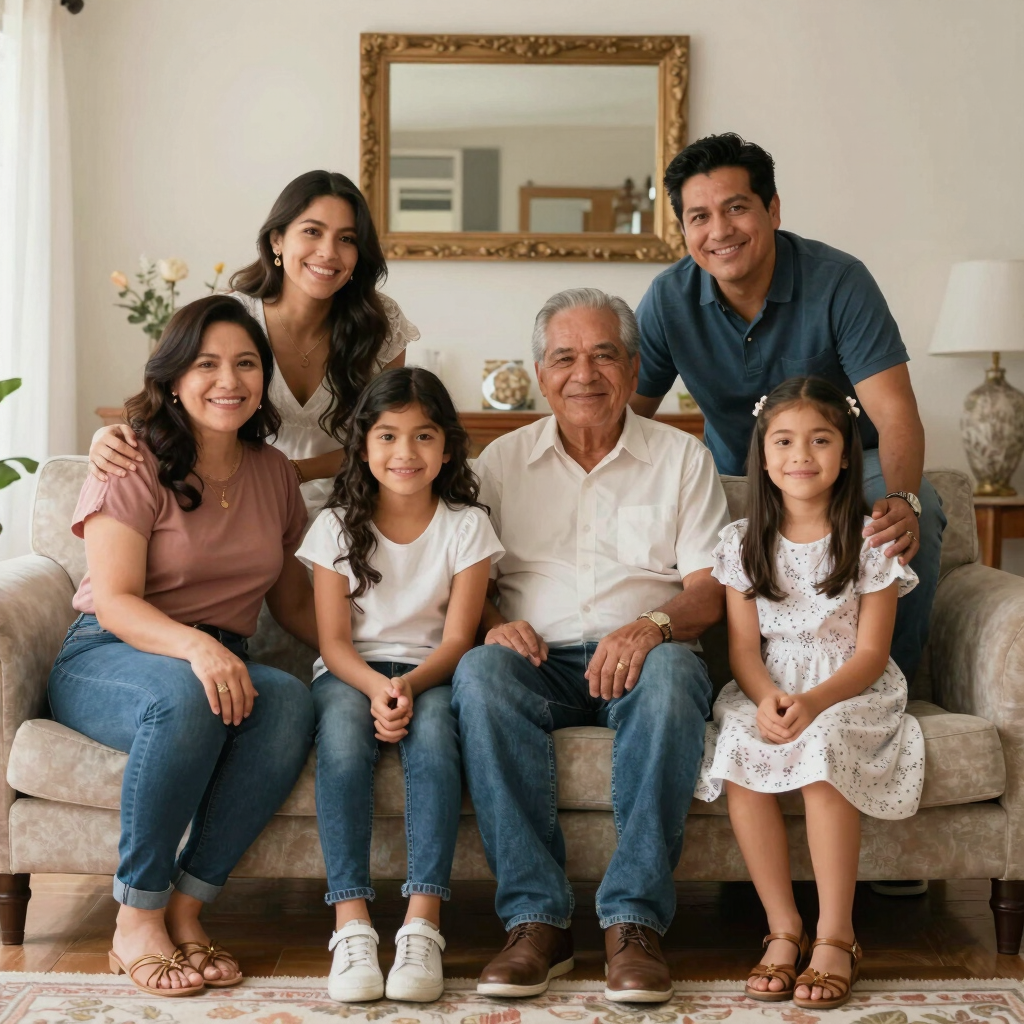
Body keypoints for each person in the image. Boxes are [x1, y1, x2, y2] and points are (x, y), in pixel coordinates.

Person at [452, 287, 731, 1003]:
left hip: (647, 657)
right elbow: (461, 579)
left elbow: (709, 589)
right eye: (565, 357)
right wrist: (489, 621)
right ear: (541, 373)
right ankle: (537, 923)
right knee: (481, 674)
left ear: (634, 370)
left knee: (671, 677)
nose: (585, 373)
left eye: (604, 355)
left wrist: (653, 626)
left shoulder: (682, 457)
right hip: (536, 661)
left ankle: (633, 923)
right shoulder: (499, 463)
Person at [48, 295, 317, 997]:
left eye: (246, 364)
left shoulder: (275, 475)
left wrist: (369, 661)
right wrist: (199, 650)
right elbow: (114, 598)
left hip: (212, 658)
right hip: (109, 654)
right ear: (173, 377)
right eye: (206, 364)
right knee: (186, 693)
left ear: (264, 381)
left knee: (288, 701)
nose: (228, 379)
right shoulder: (132, 459)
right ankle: (134, 918)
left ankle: (185, 909)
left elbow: (289, 600)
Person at [630, 133, 944, 689]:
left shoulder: (839, 281)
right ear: (684, 230)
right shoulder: (667, 300)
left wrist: (903, 497)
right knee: (692, 525)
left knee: (907, 512)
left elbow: (895, 411)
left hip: (849, 464)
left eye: (736, 208)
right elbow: (629, 415)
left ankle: (889, 689)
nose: (719, 231)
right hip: (736, 473)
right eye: (699, 216)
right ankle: (734, 684)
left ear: (772, 210)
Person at [694, 377, 924, 1009]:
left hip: (848, 687)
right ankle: (783, 926)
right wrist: (766, 697)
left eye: (820, 440)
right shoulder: (743, 541)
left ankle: (835, 934)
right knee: (738, 747)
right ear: (763, 457)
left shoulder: (871, 538)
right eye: (785, 441)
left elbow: (873, 653)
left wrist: (815, 702)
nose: (801, 455)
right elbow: (743, 649)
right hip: (772, 684)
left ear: (846, 454)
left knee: (820, 747)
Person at [296, 368, 503, 1003]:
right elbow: (332, 642)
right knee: (338, 738)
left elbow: (457, 640)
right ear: (363, 445)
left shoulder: (467, 525)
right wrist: (375, 689)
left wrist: (408, 687)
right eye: (387, 436)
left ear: (447, 448)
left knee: (439, 737)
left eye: (423, 436)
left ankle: (422, 925)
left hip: (431, 671)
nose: (405, 453)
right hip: (349, 672)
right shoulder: (335, 526)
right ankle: (351, 925)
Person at [88, 170, 419, 520]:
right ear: (277, 240)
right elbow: (163, 404)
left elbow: (387, 435)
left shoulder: (380, 323)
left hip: (350, 503)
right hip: (243, 501)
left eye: (347, 238)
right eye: (312, 231)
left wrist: (297, 472)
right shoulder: (231, 318)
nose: (328, 252)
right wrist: (106, 438)